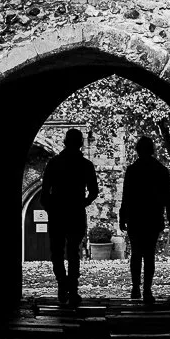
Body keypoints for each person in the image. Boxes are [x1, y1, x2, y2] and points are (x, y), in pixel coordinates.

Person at [40, 128, 99, 307]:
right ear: (81, 143)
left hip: (58, 212)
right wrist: (83, 203)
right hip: (75, 212)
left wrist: (51, 208)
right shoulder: (86, 165)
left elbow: (44, 194)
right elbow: (94, 191)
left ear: (65, 142)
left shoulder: (54, 163)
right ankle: (72, 290)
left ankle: (62, 285)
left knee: (57, 252)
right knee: (73, 252)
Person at [118, 136, 170, 305]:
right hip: (153, 216)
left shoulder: (132, 170)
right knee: (149, 255)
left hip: (136, 217)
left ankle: (136, 287)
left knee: (136, 253)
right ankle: (147, 289)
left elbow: (127, 195)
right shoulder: (161, 170)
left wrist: (123, 216)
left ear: (138, 150)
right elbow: (168, 197)